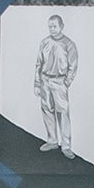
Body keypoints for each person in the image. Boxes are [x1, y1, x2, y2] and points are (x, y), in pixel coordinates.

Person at [35, 14, 80, 157]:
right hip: (45, 80)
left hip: (59, 82)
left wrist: (67, 81)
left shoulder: (69, 44)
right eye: (50, 26)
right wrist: (37, 83)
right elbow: (38, 63)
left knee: (63, 113)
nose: (52, 29)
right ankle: (52, 141)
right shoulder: (44, 42)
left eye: (54, 26)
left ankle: (66, 146)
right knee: (47, 110)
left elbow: (73, 65)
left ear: (61, 26)